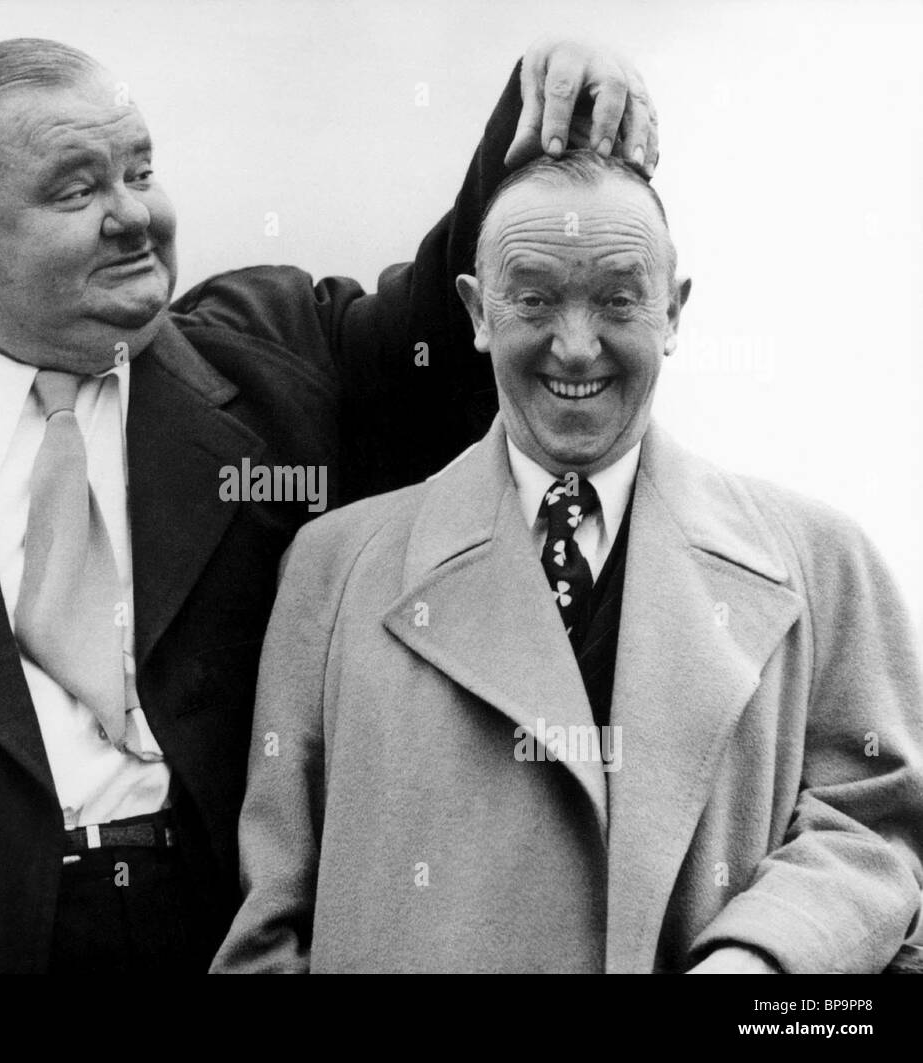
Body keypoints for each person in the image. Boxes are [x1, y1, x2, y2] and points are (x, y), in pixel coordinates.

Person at [0, 37, 659, 973]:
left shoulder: (274, 359)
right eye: (78, 188)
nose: (135, 215)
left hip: (208, 938)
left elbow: (436, 347)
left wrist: (533, 115)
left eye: (143, 169)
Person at [211, 149, 923, 974]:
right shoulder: (331, 570)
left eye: (618, 299)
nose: (576, 346)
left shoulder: (823, 562)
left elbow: (875, 823)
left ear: (674, 313)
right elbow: (270, 924)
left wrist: (762, 962)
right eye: (535, 298)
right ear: (478, 313)